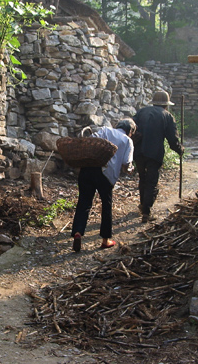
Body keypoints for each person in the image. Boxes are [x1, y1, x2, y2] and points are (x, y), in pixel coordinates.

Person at [71, 118, 136, 252]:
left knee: (84, 202)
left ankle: (77, 233)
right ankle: (106, 240)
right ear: (130, 131)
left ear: (117, 125)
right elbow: (126, 165)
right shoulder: (127, 140)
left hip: (87, 169)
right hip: (106, 175)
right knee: (106, 205)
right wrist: (130, 170)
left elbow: (89, 142)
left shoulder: (105, 130)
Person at [133, 91, 184, 223]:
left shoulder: (141, 112)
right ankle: (146, 212)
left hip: (138, 151)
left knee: (142, 178)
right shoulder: (167, 116)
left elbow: (132, 129)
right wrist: (180, 149)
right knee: (151, 181)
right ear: (166, 105)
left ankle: (143, 205)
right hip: (154, 153)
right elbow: (172, 139)